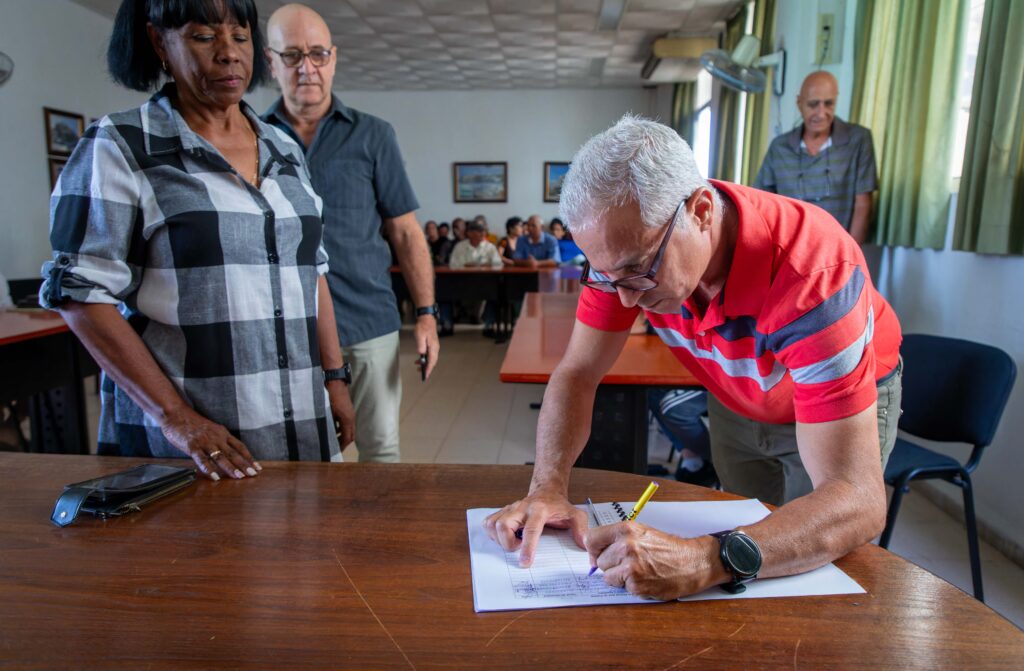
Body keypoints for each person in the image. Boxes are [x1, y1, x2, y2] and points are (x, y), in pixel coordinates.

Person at [484, 115, 902, 601]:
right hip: (737, 394)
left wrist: (706, 558)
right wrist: (548, 488)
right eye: (605, 277)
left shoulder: (815, 274)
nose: (623, 302)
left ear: (701, 211)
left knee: (812, 569)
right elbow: (578, 372)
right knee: (749, 552)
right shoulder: (624, 255)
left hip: (836, 401)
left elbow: (857, 499)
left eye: (637, 272)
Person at [40, 0, 354, 481]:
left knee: (303, 551)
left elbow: (312, 270)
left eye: (240, 35)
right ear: (158, 42)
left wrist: (334, 379)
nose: (228, 54)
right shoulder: (121, 145)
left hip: (299, 425)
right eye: (204, 37)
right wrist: (177, 420)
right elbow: (79, 293)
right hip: (196, 438)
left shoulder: (283, 146)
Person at [263, 3, 439, 464]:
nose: (308, 68)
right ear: (270, 61)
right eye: (292, 55)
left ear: (334, 58)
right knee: (311, 457)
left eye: (318, 54)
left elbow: (405, 232)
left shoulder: (372, 135)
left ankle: (380, 539)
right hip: (287, 331)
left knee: (380, 449)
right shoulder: (252, 137)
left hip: (367, 322)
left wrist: (426, 315)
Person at [754, 71, 878, 244]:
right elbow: (762, 202)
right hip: (790, 248)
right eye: (813, 105)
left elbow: (863, 204)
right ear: (799, 104)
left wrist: (851, 258)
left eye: (829, 104)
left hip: (837, 250)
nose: (821, 113)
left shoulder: (858, 140)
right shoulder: (780, 147)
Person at [449, 221, 503, 337]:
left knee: (496, 294)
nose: (482, 234)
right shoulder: (460, 246)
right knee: (443, 292)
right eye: (478, 231)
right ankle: (446, 325)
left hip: (485, 282)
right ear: (469, 233)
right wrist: (468, 266)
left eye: (483, 231)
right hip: (461, 282)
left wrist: (481, 266)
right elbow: (452, 264)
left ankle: (488, 325)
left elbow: (498, 265)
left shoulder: (490, 247)